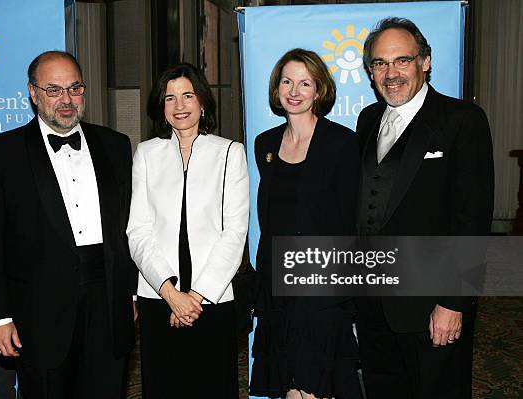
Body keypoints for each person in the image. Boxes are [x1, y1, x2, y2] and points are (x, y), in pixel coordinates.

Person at [0, 50, 137, 398]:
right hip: (38, 311)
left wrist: (131, 292)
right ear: (33, 93)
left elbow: (128, 227)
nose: (66, 99)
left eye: (75, 88)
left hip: (108, 303)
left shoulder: (116, 145)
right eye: (54, 90)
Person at [355, 17, 494, 399]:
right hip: (373, 305)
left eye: (402, 60)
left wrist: (453, 301)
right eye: (380, 64)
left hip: (432, 305)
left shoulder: (462, 120)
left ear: (425, 61)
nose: (391, 73)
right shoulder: (367, 120)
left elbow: (472, 218)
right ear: (370, 72)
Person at [126, 62, 249, 399]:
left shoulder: (229, 153)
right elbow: (138, 231)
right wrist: (172, 295)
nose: (179, 106)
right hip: (159, 299)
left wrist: (195, 298)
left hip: (212, 298)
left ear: (202, 101)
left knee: (212, 387)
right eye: (170, 98)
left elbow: (235, 233)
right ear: (160, 107)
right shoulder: (146, 154)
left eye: (187, 95)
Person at [249, 48, 363, 399]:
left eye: (304, 83)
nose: (294, 91)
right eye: (287, 81)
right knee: (288, 387)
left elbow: (351, 220)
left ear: (319, 90)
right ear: (277, 88)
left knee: (314, 387)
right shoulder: (264, 144)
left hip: (321, 289)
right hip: (277, 287)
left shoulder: (342, 143)